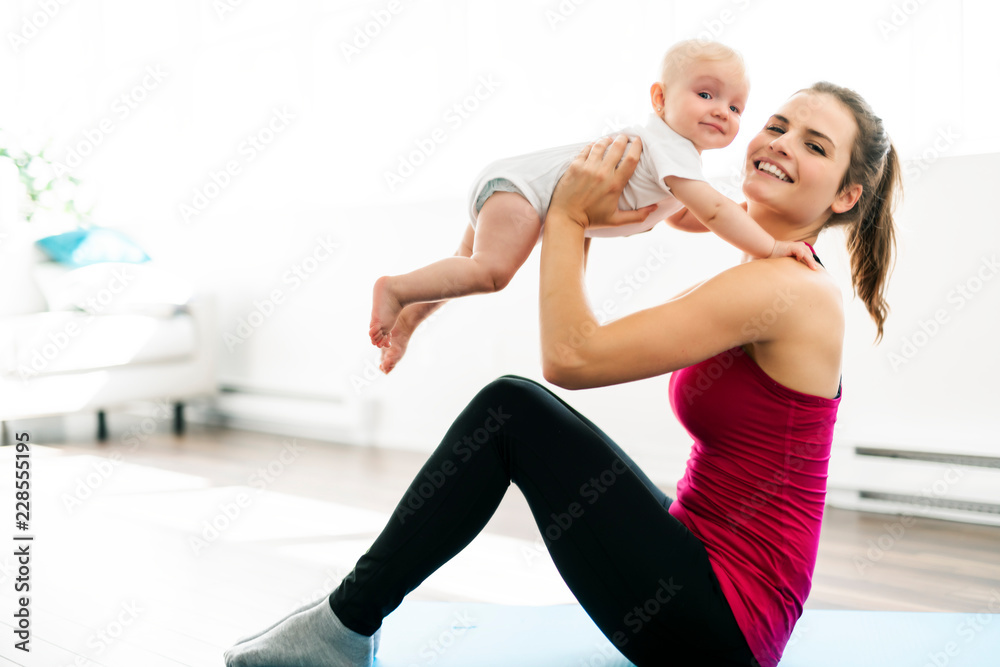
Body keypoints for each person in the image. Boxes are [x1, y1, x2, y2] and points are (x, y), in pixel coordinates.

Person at [224, 81, 900, 667]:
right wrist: (545, 208)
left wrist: (571, 211)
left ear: (846, 194)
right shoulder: (766, 265)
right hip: (700, 570)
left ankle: (343, 624)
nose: (781, 142)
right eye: (777, 125)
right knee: (516, 414)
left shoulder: (788, 290)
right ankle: (344, 618)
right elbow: (666, 207)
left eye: (814, 145)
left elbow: (573, 360)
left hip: (726, 622)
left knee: (513, 412)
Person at [368, 39, 822, 374]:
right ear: (660, 99)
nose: (723, 111)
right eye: (706, 95)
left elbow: (685, 215)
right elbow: (713, 212)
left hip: (512, 184)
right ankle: (395, 288)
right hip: (523, 192)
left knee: (466, 266)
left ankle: (410, 315)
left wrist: (735, 210)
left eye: (737, 107)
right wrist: (773, 247)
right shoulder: (673, 151)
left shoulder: (678, 162)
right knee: (491, 273)